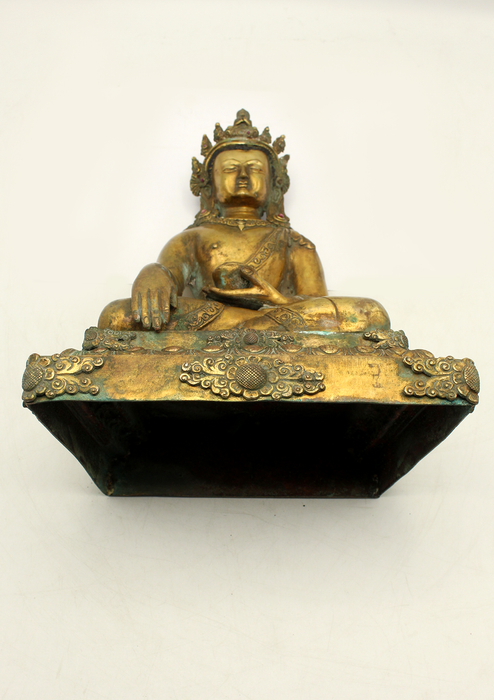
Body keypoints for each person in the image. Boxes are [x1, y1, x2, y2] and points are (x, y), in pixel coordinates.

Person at [98, 110, 389, 334]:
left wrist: (277, 301)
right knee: (116, 315)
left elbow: (316, 305)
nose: (243, 177)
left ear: (274, 185)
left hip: (261, 316)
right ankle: (256, 327)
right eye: (230, 169)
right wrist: (153, 273)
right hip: (232, 318)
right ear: (209, 184)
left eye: (254, 169)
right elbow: (169, 278)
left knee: (371, 313)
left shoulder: (294, 242)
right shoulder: (192, 238)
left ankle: (247, 325)